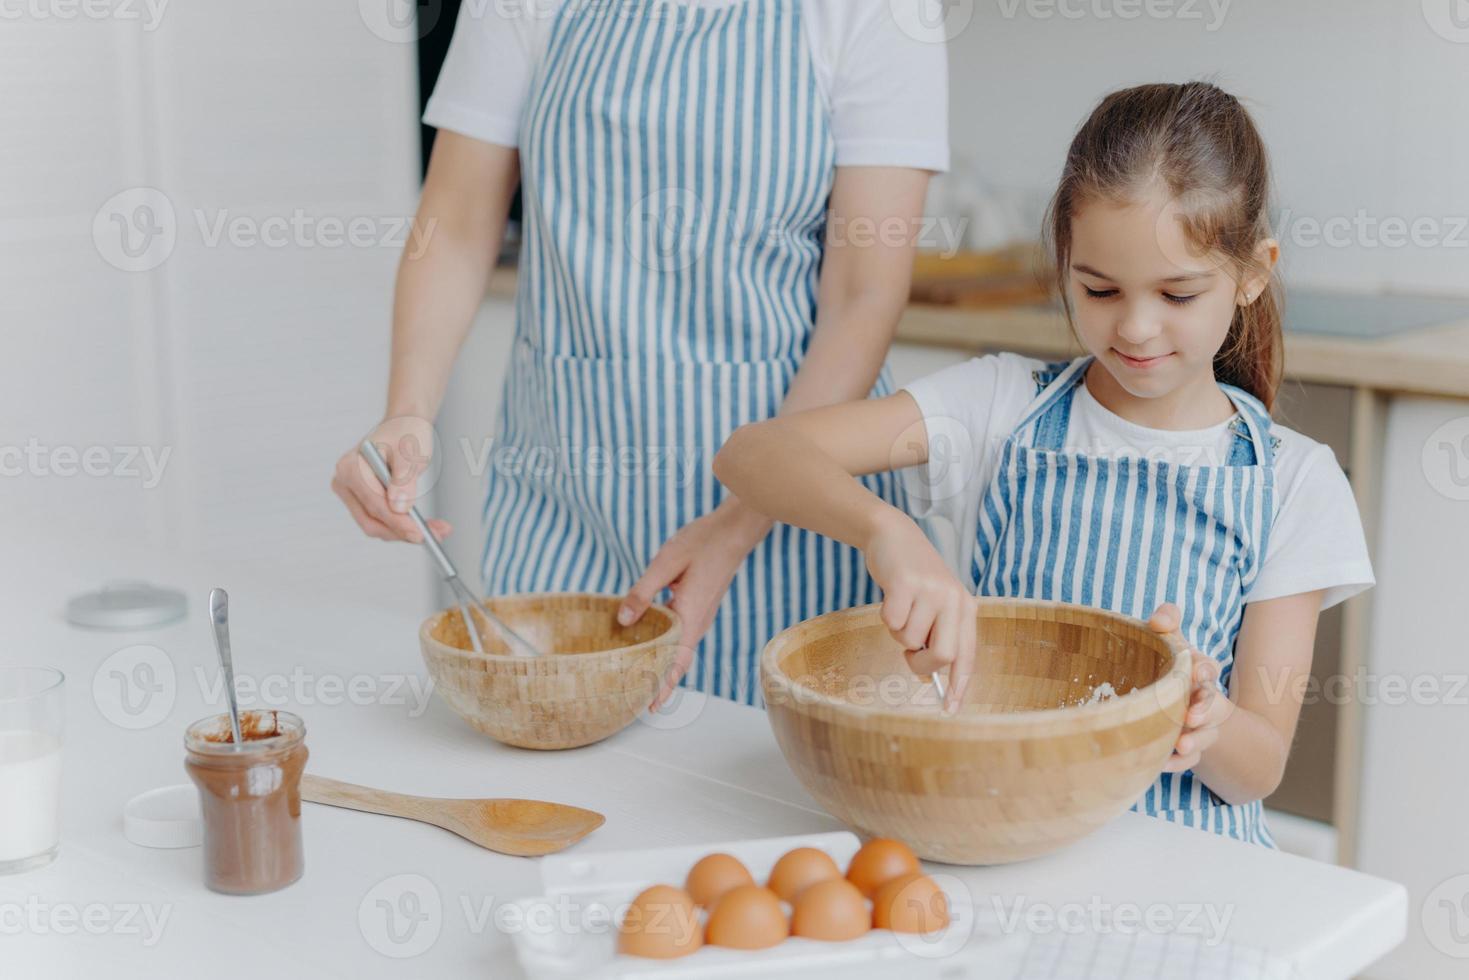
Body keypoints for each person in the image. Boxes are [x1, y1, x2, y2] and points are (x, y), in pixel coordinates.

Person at [714, 81, 1375, 846]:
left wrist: (1207, 719)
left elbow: (1257, 769)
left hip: (1185, 876)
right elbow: (754, 454)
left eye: (1178, 294)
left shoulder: (1293, 482)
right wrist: (884, 530)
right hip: (1002, 842)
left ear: (1254, 272)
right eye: (1099, 288)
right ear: (1064, 260)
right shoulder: (999, 406)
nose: (1135, 325)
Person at [331, 0, 950, 708]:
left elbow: (862, 296)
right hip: (564, 495)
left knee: (782, 786)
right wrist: (407, 413)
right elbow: (459, 224)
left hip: (795, 504)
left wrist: (741, 517)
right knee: (558, 782)